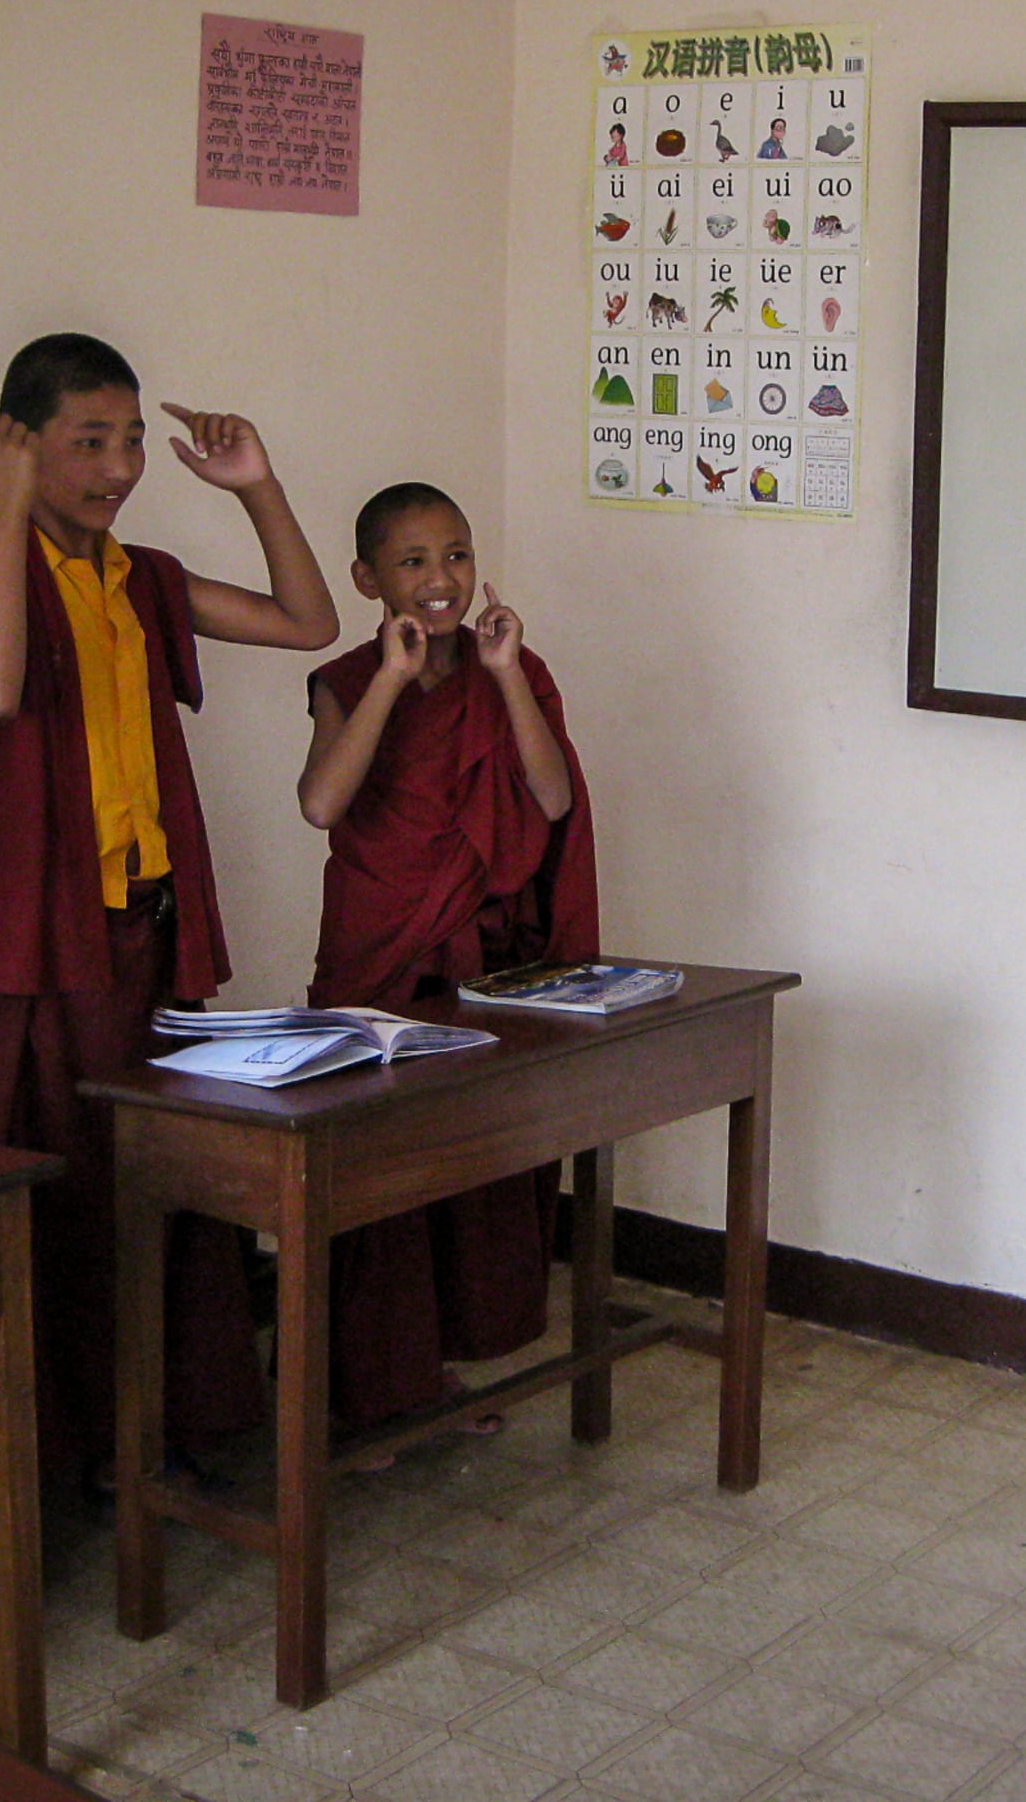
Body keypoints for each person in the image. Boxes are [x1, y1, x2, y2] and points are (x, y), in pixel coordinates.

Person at [0, 332, 338, 1484]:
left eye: (131, 439)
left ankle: (161, 1433)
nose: (118, 466)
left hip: (143, 933)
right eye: (86, 441)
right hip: (32, 954)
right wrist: (0, 517)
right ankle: (20, 1473)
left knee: (163, 1187)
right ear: (17, 449)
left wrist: (258, 488)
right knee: (40, 1204)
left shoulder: (141, 577)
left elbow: (309, 624)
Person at [297, 482, 595, 1433]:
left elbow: (549, 800)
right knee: (375, 1179)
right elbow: (321, 804)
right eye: (414, 561)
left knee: (468, 1168)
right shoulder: (347, 678)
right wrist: (389, 678)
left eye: (457, 555)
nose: (440, 579)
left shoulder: (513, 667)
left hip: (485, 960)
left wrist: (506, 674)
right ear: (367, 579)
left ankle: (434, 1377)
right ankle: (363, 1398)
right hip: (381, 952)